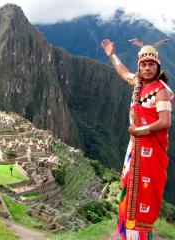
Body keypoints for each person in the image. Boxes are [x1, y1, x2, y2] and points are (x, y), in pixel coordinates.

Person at [101, 38, 173, 240]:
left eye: (151, 64)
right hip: (135, 148)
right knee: (131, 187)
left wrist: (139, 131)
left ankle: (140, 234)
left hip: (150, 150)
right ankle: (129, 231)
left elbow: (165, 121)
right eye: (143, 64)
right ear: (139, 66)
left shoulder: (161, 92)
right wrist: (112, 55)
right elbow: (123, 72)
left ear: (158, 66)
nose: (147, 68)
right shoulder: (138, 84)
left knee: (145, 192)